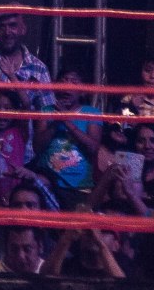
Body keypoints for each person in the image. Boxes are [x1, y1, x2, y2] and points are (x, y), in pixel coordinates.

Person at [33, 70, 102, 209]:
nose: (67, 85)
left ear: (82, 91)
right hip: (48, 184)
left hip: (79, 187)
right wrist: (56, 122)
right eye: (63, 80)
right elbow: (37, 147)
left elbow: (93, 148)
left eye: (74, 81)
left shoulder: (91, 113)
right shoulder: (46, 111)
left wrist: (67, 122)